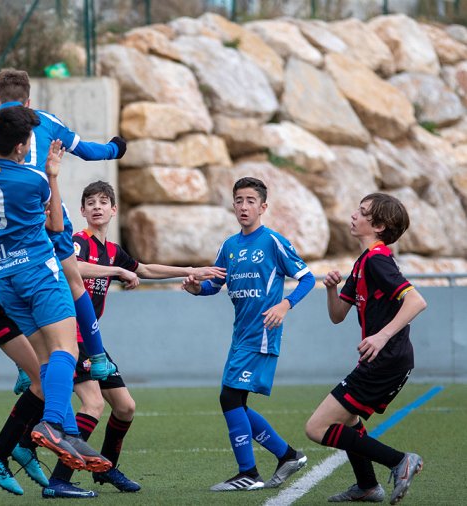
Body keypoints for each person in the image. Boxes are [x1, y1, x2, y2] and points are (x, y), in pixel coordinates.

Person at [0, 69, 125, 497]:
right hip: (37, 260)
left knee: (47, 358)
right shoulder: (34, 172)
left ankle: (66, 430)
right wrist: (59, 171)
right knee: (66, 339)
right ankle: (58, 418)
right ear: (26, 110)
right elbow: (60, 211)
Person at [44, 180, 226, 497]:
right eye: (91, 202)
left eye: (104, 201)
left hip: (90, 338)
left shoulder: (112, 251)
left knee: (126, 407)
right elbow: (73, 269)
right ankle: (59, 480)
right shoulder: (78, 241)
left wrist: (191, 269)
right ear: (83, 211)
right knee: (93, 403)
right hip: (68, 335)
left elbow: (145, 268)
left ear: (114, 210)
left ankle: (105, 469)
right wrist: (116, 272)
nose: (97, 206)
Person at [183, 176, 315, 492]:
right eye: (239, 200)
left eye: (251, 201)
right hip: (240, 335)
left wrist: (285, 304)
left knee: (230, 397)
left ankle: (249, 473)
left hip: (263, 334)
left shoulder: (273, 241)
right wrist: (196, 288)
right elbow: (214, 285)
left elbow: (307, 279)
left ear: (263, 206)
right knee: (234, 401)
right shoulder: (229, 246)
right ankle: (287, 456)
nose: (244, 206)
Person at [305, 193, 425, 505]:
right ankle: (367, 486)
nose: (354, 216)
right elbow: (337, 316)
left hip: (387, 360)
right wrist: (331, 289)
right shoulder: (362, 263)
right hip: (383, 360)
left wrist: (382, 336)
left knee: (317, 428)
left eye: (363, 212)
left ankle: (400, 461)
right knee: (348, 420)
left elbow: (416, 301)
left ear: (380, 225)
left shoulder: (377, 260)